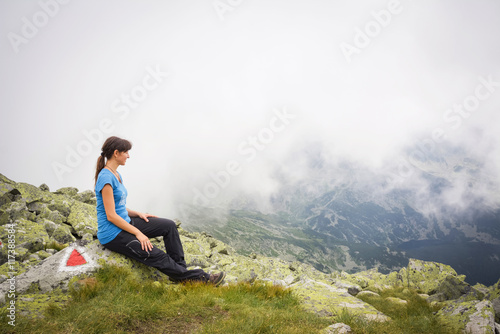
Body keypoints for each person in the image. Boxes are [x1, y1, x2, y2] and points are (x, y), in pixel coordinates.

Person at [94, 136, 225, 285]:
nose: (128, 156)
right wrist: (138, 233)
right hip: (113, 234)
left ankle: (179, 273)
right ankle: (201, 278)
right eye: (126, 152)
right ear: (116, 153)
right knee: (156, 254)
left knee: (169, 225)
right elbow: (111, 215)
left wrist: (138, 214)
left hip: (125, 222)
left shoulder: (116, 174)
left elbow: (118, 207)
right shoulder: (105, 178)